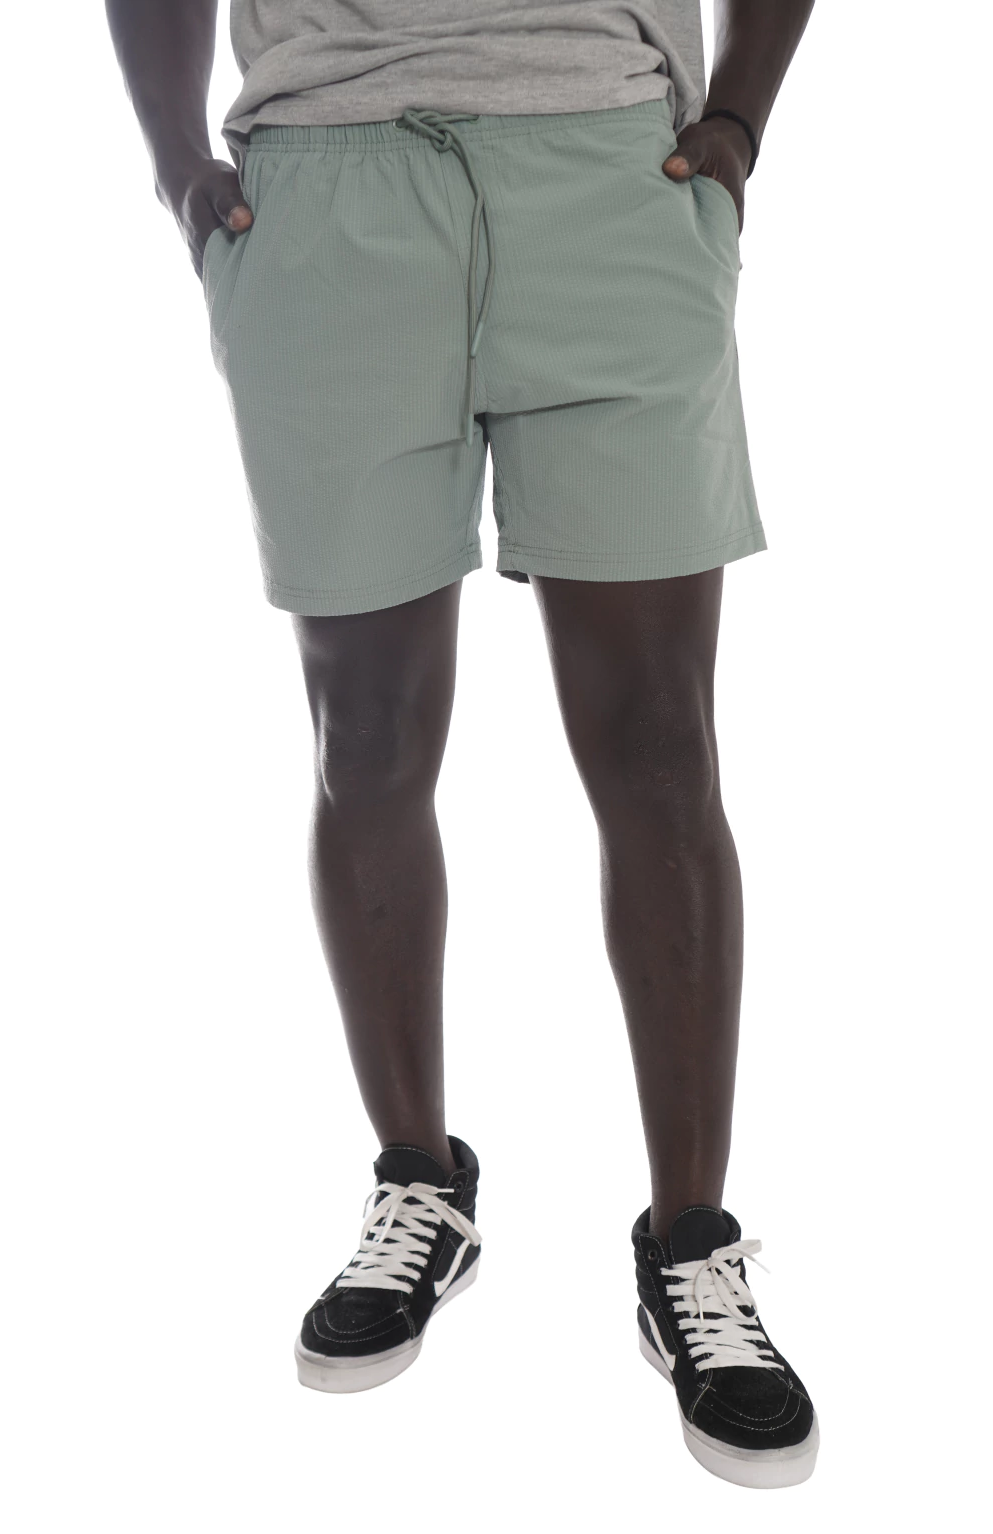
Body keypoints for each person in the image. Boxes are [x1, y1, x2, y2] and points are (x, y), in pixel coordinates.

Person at [107, 0, 818, 1487]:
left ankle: (693, 1242)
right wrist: (176, 163)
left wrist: (740, 119)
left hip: (611, 176)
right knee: (364, 741)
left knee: (662, 746)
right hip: (327, 190)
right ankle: (420, 1185)